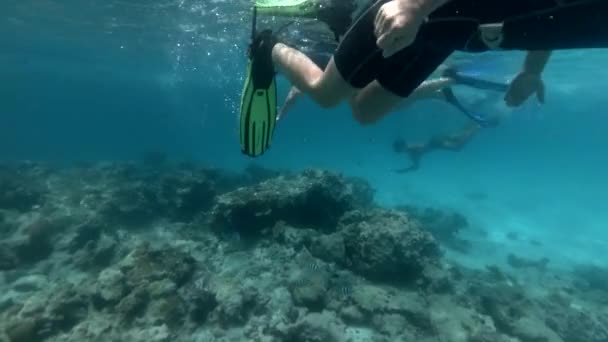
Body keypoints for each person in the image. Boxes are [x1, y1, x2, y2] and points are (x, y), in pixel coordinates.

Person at [240, 0, 607, 157]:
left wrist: (531, 71)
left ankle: (337, 22)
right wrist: (415, 5)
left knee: (366, 111)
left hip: (449, 34)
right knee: (325, 94)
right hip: (414, 16)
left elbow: (554, 22)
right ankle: (268, 47)